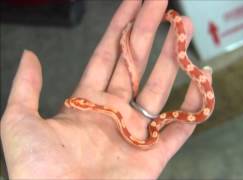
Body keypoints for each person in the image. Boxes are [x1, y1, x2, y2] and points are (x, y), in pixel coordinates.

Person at [0, 0, 212, 178]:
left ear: (85, 106)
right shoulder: (114, 118)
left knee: (178, 55)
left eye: (76, 103)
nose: (73, 103)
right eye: (76, 103)